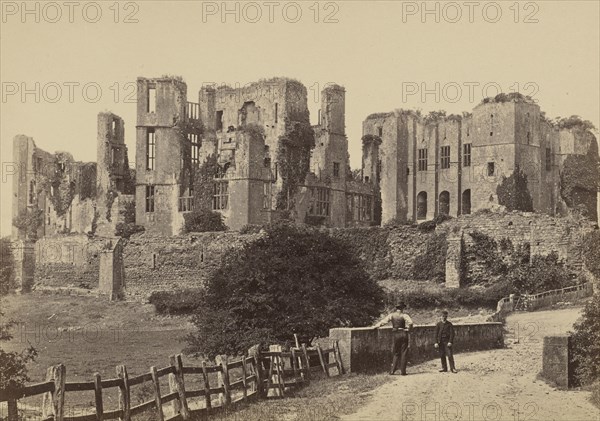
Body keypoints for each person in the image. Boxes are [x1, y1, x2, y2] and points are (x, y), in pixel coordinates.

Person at [374, 302, 414, 375]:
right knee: (404, 352)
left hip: (396, 334)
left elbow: (383, 322)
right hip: (404, 333)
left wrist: (376, 326)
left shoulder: (391, 315)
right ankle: (403, 371)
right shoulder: (405, 315)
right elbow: (410, 323)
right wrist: (409, 330)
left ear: (396, 308)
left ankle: (392, 371)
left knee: (396, 352)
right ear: (402, 308)